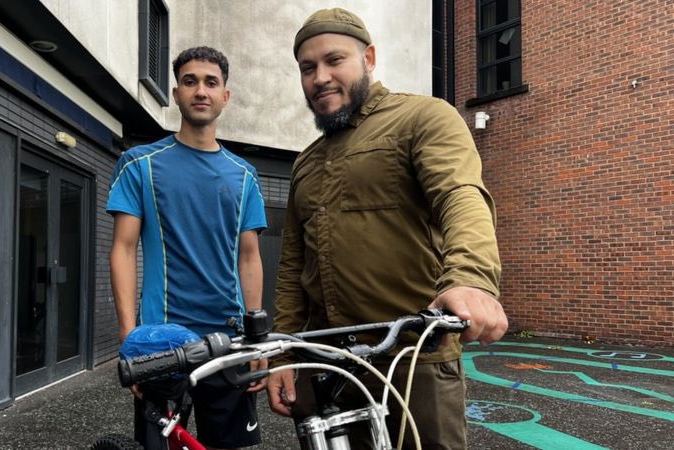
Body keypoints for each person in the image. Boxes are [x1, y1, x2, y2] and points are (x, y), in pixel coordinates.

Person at [266, 8, 509, 449]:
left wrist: (471, 279)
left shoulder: (423, 118)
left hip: (414, 360)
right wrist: (283, 354)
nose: (320, 77)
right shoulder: (305, 162)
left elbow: (461, 195)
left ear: (369, 58)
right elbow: (292, 267)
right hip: (330, 365)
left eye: (334, 60)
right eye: (307, 68)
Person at [107, 46, 267, 450]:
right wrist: (130, 337)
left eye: (211, 82)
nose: (201, 90)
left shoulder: (244, 176)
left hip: (228, 342)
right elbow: (123, 249)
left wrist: (257, 338)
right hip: (162, 342)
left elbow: (249, 257)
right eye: (190, 81)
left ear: (225, 96)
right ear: (176, 93)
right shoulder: (139, 163)